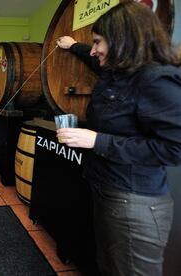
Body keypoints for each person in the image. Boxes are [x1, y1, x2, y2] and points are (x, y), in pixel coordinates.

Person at [56, 2, 181, 275]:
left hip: (135, 204)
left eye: (98, 41)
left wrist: (96, 141)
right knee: (110, 267)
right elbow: (92, 58)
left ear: (122, 39)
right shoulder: (117, 73)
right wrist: (74, 45)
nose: (94, 49)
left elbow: (175, 149)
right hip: (108, 191)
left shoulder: (155, 80)